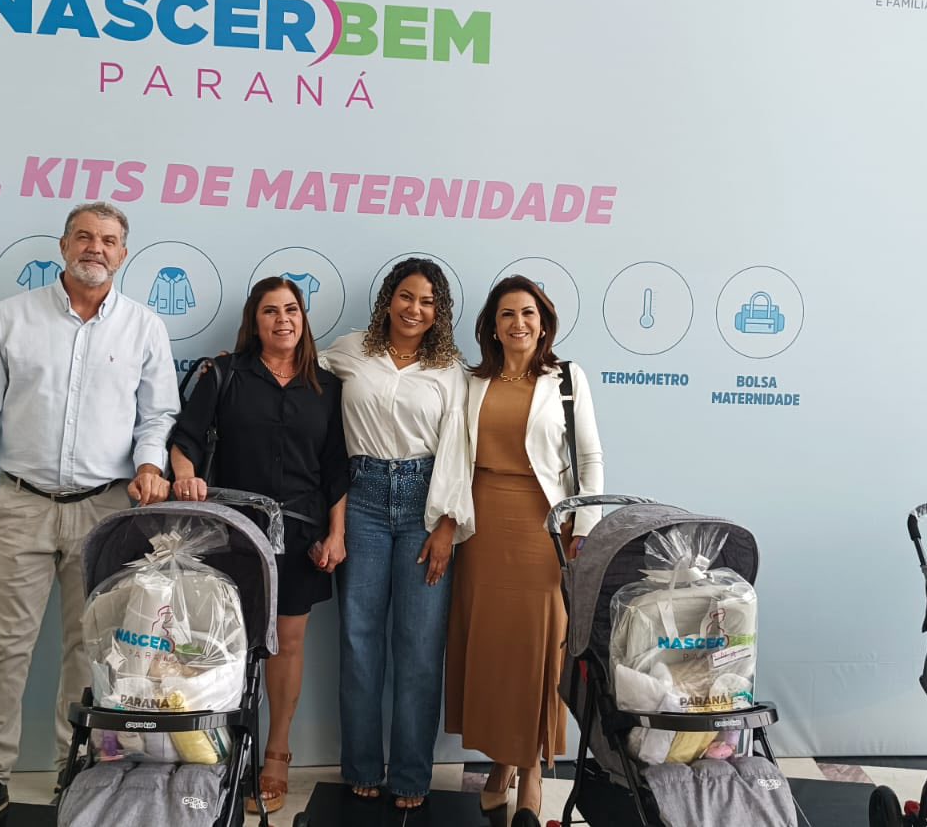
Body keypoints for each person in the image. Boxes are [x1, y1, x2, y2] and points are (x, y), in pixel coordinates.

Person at [0, 202, 179, 827]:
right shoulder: (12, 318)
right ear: (63, 246)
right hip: (21, 504)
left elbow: (157, 415)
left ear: (123, 253)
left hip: (105, 507)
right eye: (84, 237)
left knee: (88, 648)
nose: (95, 248)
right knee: (7, 646)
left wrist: (149, 464)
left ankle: (70, 772)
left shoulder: (143, 326)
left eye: (108, 240)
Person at [168, 276, 349, 815]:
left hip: (301, 535)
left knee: (287, 645)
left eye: (291, 309)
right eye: (270, 311)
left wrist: (336, 533)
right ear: (255, 321)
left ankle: (276, 755)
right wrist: (184, 474)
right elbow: (185, 439)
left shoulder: (327, 386)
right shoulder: (225, 375)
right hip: (232, 533)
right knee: (227, 645)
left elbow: (336, 467)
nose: (282, 320)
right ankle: (224, 755)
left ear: (303, 318)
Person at [446, 275, 604, 827]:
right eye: (508, 314)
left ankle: (532, 770)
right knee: (492, 648)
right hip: (482, 525)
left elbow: (589, 455)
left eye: (529, 313)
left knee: (538, 648)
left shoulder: (568, 378)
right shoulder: (471, 381)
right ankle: (502, 761)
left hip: (545, 527)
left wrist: (585, 526)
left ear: (544, 322)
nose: (519, 323)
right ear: (493, 325)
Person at [320, 257, 473, 810]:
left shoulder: (450, 370)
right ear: (388, 299)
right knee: (359, 641)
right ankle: (361, 765)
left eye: (428, 302)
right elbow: (293, 370)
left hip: (423, 505)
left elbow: (459, 449)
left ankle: (411, 774)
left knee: (420, 646)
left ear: (439, 312)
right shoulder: (349, 350)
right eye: (406, 297)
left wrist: (447, 525)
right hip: (360, 498)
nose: (415, 309)